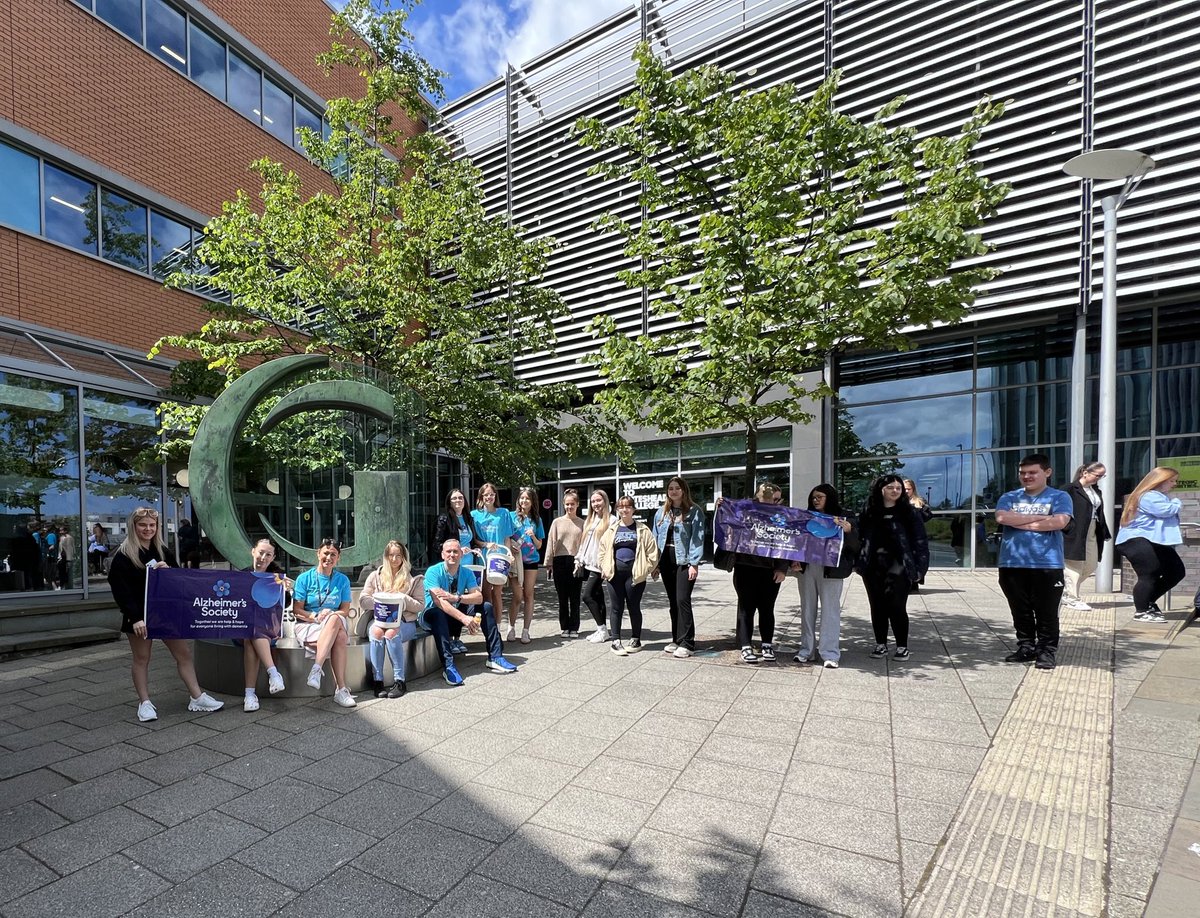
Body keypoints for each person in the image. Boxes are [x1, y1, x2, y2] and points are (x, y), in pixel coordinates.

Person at [107, 507, 223, 722]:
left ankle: (197, 697)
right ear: (133, 526)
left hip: (165, 613)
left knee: (184, 654)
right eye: (143, 525)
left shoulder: (162, 550)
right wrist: (135, 618)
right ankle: (145, 703)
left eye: (152, 525)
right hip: (140, 616)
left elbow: (178, 579)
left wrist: (168, 571)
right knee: (142, 658)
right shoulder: (123, 556)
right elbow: (121, 591)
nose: (148, 529)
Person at [994, 453, 1073, 669]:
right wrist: (1042, 518)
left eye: (1032, 472)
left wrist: (1018, 521)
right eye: (1022, 473)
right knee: (1020, 610)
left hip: (1047, 564)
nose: (1026, 476)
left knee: (1047, 612)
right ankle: (1026, 647)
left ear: (1047, 472)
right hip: (1012, 564)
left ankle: (1046, 652)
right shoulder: (1009, 497)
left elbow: (1060, 522)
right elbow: (1002, 518)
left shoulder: (1059, 497)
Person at [422, 538, 517, 686]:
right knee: (438, 613)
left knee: (486, 607)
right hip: (432, 615)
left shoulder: (466, 572)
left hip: (454, 611)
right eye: (448, 551)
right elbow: (439, 602)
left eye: (455, 551)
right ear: (442, 554)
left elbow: (478, 597)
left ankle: (495, 657)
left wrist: (457, 598)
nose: (452, 554)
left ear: (461, 554)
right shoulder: (433, 572)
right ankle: (448, 666)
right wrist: (465, 618)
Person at [855, 474, 929, 661]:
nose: (895, 491)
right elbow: (859, 535)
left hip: (900, 565)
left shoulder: (909, 512)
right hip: (873, 566)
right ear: (880, 490)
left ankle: (902, 646)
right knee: (877, 605)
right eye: (890, 487)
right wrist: (858, 561)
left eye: (898, 488)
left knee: (896, 606)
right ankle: (881, 644)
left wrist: (921, 568)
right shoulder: (869, 511)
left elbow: (920, 541)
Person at [795, 484, 857, 669]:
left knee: (830, 611)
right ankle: (806, 650)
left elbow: (856, 546)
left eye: (820, 497)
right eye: (813, 497)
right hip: (808, 568)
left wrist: (849, 531)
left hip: (831, 570)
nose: (816, 500)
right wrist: (794, 560)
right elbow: (797, 541)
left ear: (829, 498)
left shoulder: (844, 517)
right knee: (807, 610)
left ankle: (830, 653)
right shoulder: (806, 517)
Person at [727, 483, 790, 663]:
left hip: (770, 570)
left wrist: (782, 568)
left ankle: (767, 644)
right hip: (745, 567)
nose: (775, 502)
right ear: (760, 496)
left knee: (767, 609)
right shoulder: (744, 511)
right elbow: (728, 526)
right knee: (746, 608)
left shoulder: (781, 516)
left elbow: (786, 543)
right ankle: (746, 646)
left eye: (778, 499)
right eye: (771, 498)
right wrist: (722, 507)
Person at [1116, 467, 1186, 623]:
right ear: (1159, 481)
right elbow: (1165, 510)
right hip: (1135, 539)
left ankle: (1147, 601)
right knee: (1149, 572)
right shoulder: (1147, 496)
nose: (1174, 484)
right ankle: (1141, 610)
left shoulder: (1159, 496)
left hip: (1154, 540)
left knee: (1176, 571)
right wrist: (1177, 502)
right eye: (1172, 481)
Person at [293, 538, 357, 708]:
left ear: (338, 558)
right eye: (326, 553)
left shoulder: (343, 580)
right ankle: (341, 690)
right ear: (318, 554)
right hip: (309, 623)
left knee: (334, 619)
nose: (329, 557)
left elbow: (345, 610)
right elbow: (297, 610)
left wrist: (330, 614)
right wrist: (315, 616)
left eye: (333, 554)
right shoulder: (304, 579)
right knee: (340, 638)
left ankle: (316, 669)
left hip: (336, 621)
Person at [359, 540, 424, 698]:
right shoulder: (375, 575)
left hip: (404, 622)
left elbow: (420, 605)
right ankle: (377, 681)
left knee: (391, 633)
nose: (394, 559)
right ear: (386, 556)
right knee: (376, 633)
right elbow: (363, 600)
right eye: (391, 555)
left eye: (398, 555)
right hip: (379, 620)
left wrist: (402, 598)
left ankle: (399, 681)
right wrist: (381, 598)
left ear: (404, 557)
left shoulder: (414, 577)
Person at [652, 477, 705, 658]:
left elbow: (697, 539)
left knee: (683, 599)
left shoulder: (694, 511)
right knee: (673, 601)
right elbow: (655, 537)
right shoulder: (661, 512)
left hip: (684, 561)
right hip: (666, 561)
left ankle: (688, 643)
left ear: (683, 490)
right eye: (671, 488)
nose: (673, 491)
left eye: (677, 488)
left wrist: (694, 563)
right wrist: (655, 564)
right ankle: (676, 639)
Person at [599, 496, 659, 655]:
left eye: (628, 507)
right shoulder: (612, 530)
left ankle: (636, 639)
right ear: (617, 509)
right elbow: (602, 551)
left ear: (633, 509)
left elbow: (652, 553)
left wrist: (644, 570)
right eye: (621, 507)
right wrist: (605, 568)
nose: (624, 510)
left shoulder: (643, 530)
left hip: (634, 576)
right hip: (615, 575)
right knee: (616, 607)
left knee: (634, 607)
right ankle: (616, 641)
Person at [240, 539, 290, 712]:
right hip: (241, 629)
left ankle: (249, 695)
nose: (263, 557)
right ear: (253, 551)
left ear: (273, 558)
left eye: (268, 554)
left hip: (269, 631)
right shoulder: (242, 575)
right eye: (261, 552)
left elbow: (286, 603)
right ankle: (273, 674)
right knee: (250, 633)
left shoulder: (276, 576)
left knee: (251, 638)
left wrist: (286, 590)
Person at [432, 488, 482, 655]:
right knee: (451, 599)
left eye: (460, 498)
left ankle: (457, 638)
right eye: (454, 498)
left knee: (463, 600)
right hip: (452, 566)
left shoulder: (469, 518)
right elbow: (436, 544)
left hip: (468, 566)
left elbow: (471, 541)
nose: (458, 501)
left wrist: (474, 549)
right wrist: (456, 551)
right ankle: (449, 638)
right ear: (449, 502)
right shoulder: (444, 518)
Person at [1062, 462, 1111, 611]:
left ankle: (1066, 591)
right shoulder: (1069, 489)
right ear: (1085, 472)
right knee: (1074, 566)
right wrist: (1066, 526)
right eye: (1098, 475)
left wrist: (1104, 531)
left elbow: (1099, 513)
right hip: (1075, 531)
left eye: (1102, 476)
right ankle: (1072, 598)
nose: (1099, 478)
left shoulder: (1095, 491)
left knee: (1091, 564)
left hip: (1092, 529)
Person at [471, 482, 516, 621]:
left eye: (491, 494)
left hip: (499, 558)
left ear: (495, 496)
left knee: (497, 593)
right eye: (486, 495)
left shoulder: (504, 513)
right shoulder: (474, 515)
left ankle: (497, 624)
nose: (489, 497)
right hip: (483, 558)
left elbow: (507, 537)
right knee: (486, 593)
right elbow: (474, 539)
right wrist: (485, 544)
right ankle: (488, 623)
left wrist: (509, 554)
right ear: (481, 496)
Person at [576, 490, 615, 643]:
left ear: (605, 501)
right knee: (598, 597)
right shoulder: (590, 520)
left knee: (587, 596)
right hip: (589, 564)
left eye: (598, 500)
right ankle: (602, 630)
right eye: (593, 501)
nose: (596, 504)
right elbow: (584, 542)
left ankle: (602, 629)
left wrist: (606, 565)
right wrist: (579, 559)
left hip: (600, 565)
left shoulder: (612, 520)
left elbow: (611, 545)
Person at [544, 489, 585, 636]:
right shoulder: (557, 522)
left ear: (577, 504)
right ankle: (564, 627)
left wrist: (583, 561)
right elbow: (551, 542)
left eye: (572, 504)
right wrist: (548, 562)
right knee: (562, 597)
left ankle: (574, 627)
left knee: (575, 597)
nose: (569, 507)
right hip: (559, 561)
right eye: (567, 504)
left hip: (576, 561)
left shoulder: (582, 523)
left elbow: (585, 544)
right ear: (563, 504)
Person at [508, 486, 545, 644]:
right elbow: (506, 536)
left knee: (529, 595)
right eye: (522, 498)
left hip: (531, 561)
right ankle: (511, 627)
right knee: (518, 595)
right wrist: (510, 546)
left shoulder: (537, 520)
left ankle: (526, 631)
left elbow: (539, 545)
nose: (524, 501)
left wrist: (533, 536)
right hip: (515, 561)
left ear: (532, 501)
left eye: (527, 498)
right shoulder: (511, 516)